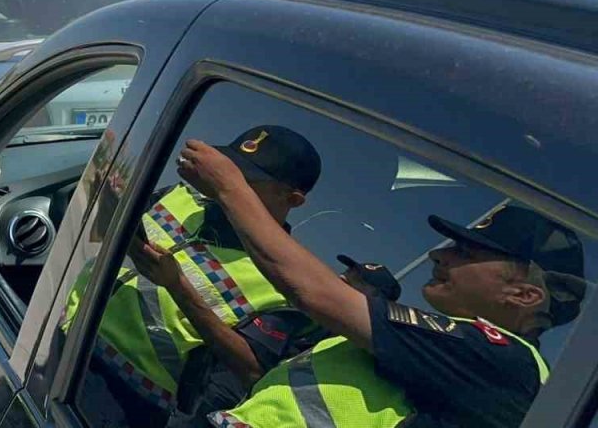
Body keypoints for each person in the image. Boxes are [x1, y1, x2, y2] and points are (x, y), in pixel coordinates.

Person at [171, 141, 587, 427]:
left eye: (465, 251)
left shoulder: (502, 360)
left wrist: (230, 187)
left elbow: (312, 291)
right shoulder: (464, 352)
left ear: (523, 295)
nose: (438, 255)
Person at [65, 126, 323, 428]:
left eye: (245, 180)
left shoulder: (283, 283)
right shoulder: (180, 196)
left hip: (124, 398)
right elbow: (101, 235)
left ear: (292, 199)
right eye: (226, 168)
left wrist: (178, 287)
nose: (224, 182)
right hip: (67, 339)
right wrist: (108, 203)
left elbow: (252, 370)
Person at [135, 247, 401, 427]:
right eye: (346, 273)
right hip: (200, 403)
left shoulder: (353, 351)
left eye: (356, 281)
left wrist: (178, 286)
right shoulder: (308, 316)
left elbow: (250, 365)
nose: (340, 279)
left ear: (375, 302)